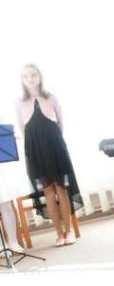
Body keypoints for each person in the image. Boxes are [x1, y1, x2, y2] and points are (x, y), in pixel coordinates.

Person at [14, 64, 81, 246]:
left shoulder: (51, 97)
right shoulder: (19, 102)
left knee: (61, 189)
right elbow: (22, 127)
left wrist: (55, 142)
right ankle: (59, 234)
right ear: (22, 80)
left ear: (39, 76)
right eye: (26, 76)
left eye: (33, 75)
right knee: (48, 191)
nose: (30, 79)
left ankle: (69, 231)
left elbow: (60, 123)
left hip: (54, 146)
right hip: (35, 149)